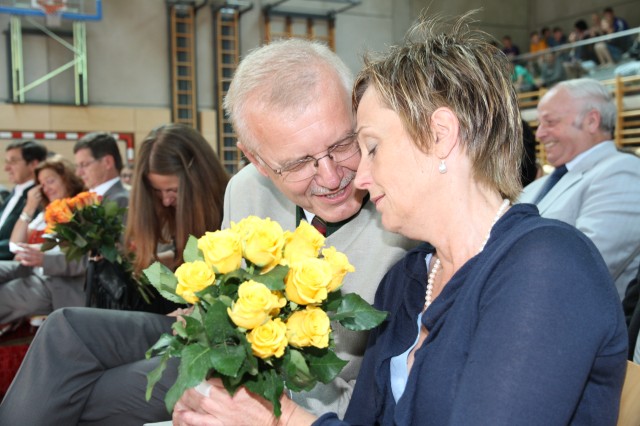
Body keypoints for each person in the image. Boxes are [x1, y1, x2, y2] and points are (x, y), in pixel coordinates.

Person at [173, 13, 627, 425]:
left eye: (367, 146)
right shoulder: (410, 280)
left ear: (440, 135)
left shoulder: (548, 263)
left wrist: (281, 421)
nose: (356, 177)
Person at [0, 39, 415, 425]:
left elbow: (384, 397)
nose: (332, 177)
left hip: (297, 399)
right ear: (257, 161)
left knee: (76, 395)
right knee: (64, 330)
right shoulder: (247, 190)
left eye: (343, 144)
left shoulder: (405, 218)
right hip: (222, 354)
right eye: (298, 163)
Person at [519, 78, 640, 299]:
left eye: (550, 122)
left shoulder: (625, 172)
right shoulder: (537, 186)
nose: (539, 134)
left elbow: (582, 266)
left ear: (591, 121)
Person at [0, 155, 86, 324]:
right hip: (28, 268)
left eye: (50, 181)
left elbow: (77, 256)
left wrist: (40, 252)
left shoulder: (80, 207)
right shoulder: (45, 212)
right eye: (42, 184)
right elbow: (15, 246)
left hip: (52, 277)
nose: (46, 188)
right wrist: (29, 207)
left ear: (66, 178)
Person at [0, 141, 47, 260]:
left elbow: (23, 240)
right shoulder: (11, 194)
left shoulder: (39, 198)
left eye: (13, 162)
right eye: (6, 162)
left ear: (33, 164)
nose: (6, 168)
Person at [73, 132, 130, 209]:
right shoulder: (87, 200)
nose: (78, 173)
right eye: (77, 166)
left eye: (84, 165)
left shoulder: (122, 202)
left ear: (108, 162)